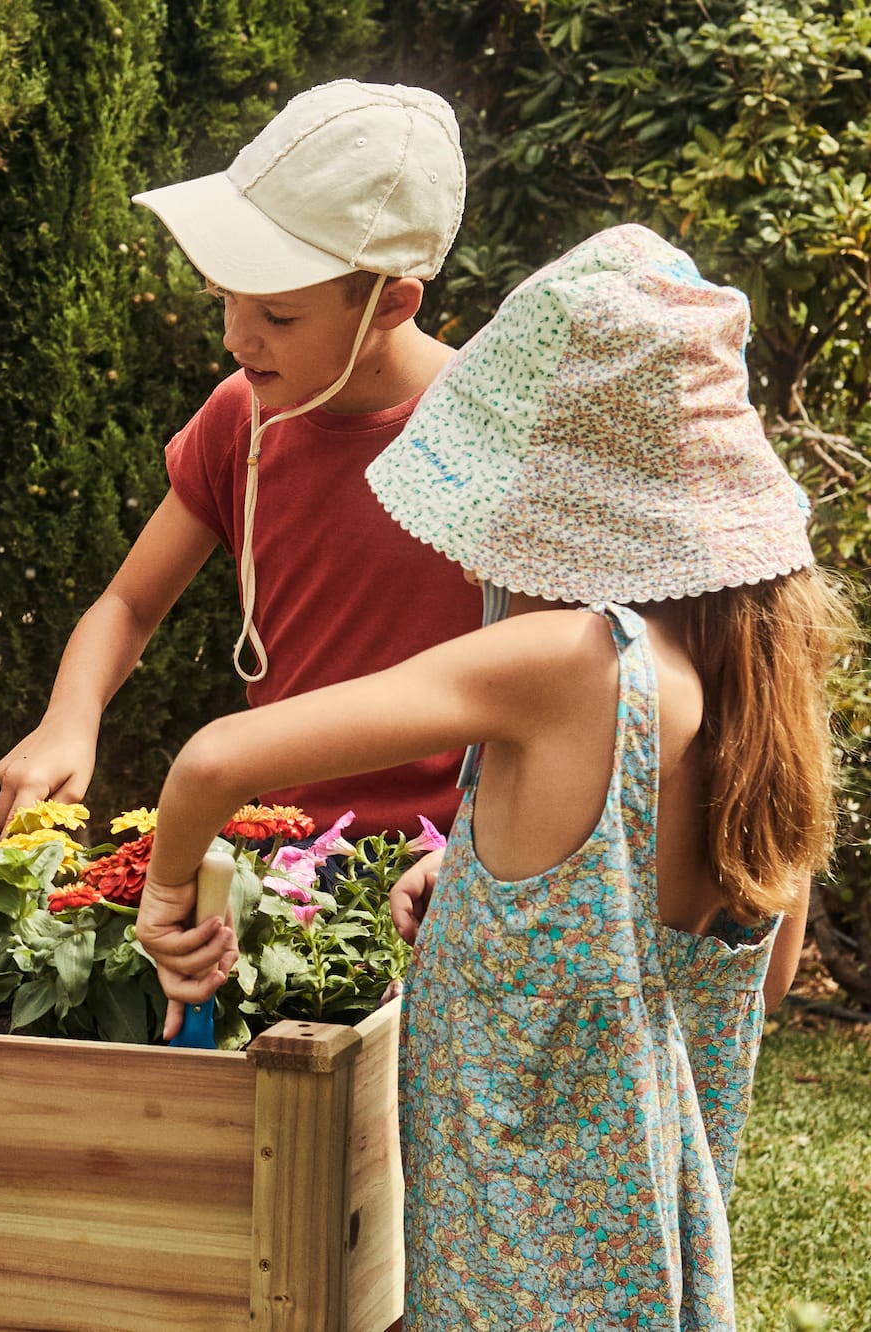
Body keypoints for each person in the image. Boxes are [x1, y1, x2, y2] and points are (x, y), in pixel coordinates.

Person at [138, 224, 851, 1325]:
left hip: (501, 1283)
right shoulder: (759, 696)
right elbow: (727, 975)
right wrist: (477, 897)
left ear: (563, 504)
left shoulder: (564, 661)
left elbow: (215, 761)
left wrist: (166, 893)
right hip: (650, 1280)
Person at [0, 80, 479, 838]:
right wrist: (68, 719)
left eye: (277, 316)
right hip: (279, 850)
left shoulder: (494, 435)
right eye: (225, 297)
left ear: (392, 304)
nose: (236, 338)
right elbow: (129, 605)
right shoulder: (241, 417)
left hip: (447, 865)